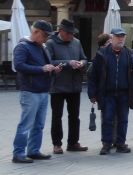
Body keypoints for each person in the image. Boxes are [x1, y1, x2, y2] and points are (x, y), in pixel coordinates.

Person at [88, 27, 133, 155]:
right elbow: (93, 75)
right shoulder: (102, 54)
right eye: (118, 36)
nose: (121, 39)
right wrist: (92, 93)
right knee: (107, 119)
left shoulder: (130, 53)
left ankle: (120, 143)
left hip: (124, 93)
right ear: (111, 38)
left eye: (123, 36)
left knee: (123, 119)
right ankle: (106, 144)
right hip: (107, 93)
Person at [12, 20, 59, 163]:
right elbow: (19, 66)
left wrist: (53, 69)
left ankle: (33, 150)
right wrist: (42, 69)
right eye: (44, 35)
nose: (46, 39)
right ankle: (18, 153)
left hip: (43, 90)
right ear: (35, 32)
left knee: (39, 124)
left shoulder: (42, 46)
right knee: (26, 124)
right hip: (30, 90)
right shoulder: (22, 47)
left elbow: (43, 65)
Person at [45, 19, 88, 154]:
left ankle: (73, 143)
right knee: (57, 116)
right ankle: (57, 144)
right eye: (68, 33)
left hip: (74, 86)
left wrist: (82, 63)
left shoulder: (76, 42)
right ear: (61, 31)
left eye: (72, 33)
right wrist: (68, 63)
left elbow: (84, 58)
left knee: (74, 116)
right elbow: (49, 61)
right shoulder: (51, 43)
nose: (71, 36)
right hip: (57, 86)